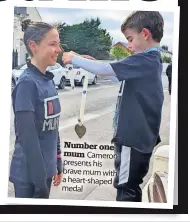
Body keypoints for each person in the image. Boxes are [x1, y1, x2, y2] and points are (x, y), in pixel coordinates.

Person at [62, 11, 164, 202]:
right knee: (132, 185)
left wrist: (74, 58)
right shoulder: (150, 61)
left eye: (130, 39)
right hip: (141, 139)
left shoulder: (145, 60)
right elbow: (112, 69)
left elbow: (105, 71)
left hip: (132, 140)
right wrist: (92, 62)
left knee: (126, 189)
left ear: (145, 33)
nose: (129, 45)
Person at [10, 19, 63, 198]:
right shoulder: (27, 84)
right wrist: (40, 182)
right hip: (28, 178)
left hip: (45, 172)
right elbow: (28, 139)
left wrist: (58, 161)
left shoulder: (47, 80)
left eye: (59, 44)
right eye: (52, 44)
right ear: (33, 46)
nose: (59, 49)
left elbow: (53, 125)